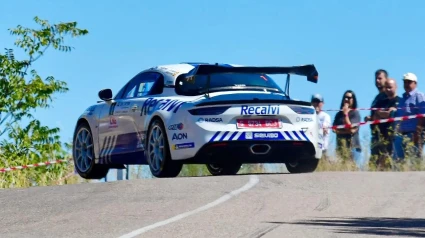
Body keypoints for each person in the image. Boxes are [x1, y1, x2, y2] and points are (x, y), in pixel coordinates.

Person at [393, 72, 425, 161]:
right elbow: (398, 117)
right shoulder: (402, 99)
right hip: (400, 134)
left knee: (414, 161)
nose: (406, 84)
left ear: (415, 83)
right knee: (397, 161)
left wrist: (417, 133)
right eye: (405, 82)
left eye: (409, 82)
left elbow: (422, 116)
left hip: (413, 134)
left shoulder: (419, 96)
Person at [372, 78, 400, 169]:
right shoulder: (381, 101)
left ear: (396, 87)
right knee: (378, 160)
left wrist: (382, 113)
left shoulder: (399, 100)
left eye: (390, 87)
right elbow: (375, 115)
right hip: (380, 134)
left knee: (390, 159)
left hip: (392, 134)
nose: (387, 89)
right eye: (386, 87)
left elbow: (390, 115)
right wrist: (383, 113)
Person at [332, 90, 364, 169]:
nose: (346, 99)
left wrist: (346, 114)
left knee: (353, 172)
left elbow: (351, 129)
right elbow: (334, 129)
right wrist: (344, 131)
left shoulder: (355, 113)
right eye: (345, 97)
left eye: (349, 98)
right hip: (341, 147)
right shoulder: (339, 114)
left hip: (353, 147)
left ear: (353, 100)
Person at [365, 69, 389, 160]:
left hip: (385, 135)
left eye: (380, 78)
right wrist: (370, 118)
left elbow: (388, 114)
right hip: (375, 135)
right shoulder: (377, 98)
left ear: (386, 79)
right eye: (376, 79)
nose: (377, 81)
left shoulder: (388, 96)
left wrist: (377, 115)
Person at [311, 94, 331, 159]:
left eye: (318, 102)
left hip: (322, 148)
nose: (316, 104)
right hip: (311, 148)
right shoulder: (309, 116)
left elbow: (325, 131)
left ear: (322, 103)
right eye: (314, 101)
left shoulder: (325, 116)